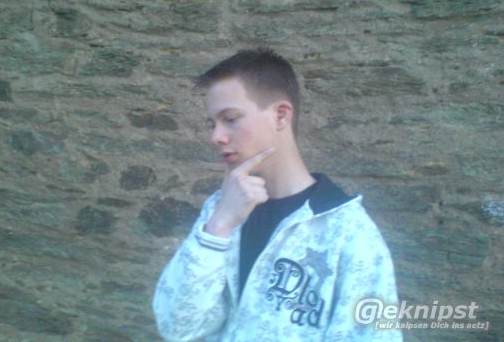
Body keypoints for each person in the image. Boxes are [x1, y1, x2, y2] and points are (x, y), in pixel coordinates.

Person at [152, 48, 402, 341]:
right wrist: (219, 227)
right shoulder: (220, 209)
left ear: (280, 116)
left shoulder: (348, 233)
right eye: (212, 123)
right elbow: (177, 329)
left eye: (230, 118)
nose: (215, 136)